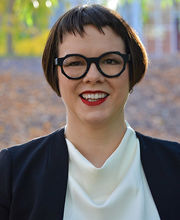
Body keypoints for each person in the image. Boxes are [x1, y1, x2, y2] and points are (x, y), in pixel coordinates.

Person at [0, 4, 179, 220]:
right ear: (55, 74)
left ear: (132, 70)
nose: (93, 76)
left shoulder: (176, 167)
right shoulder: (11, 174)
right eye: (75, 62)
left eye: (110, 60)